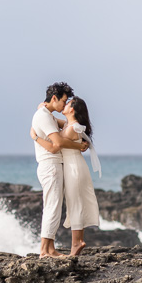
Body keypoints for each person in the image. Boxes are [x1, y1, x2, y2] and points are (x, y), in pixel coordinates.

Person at [32, 96, 100, 256]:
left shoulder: (71, 128)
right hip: (73, 166)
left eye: (67, 103)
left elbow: (57, 145)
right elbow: (55, 122)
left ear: (72, 109)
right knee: (74, 202)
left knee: (74, 203)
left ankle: (77, 242)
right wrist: (43, 110)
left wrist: (35, 137)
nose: (64, 104)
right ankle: (76, 242)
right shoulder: (71, 126)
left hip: (73, 167)